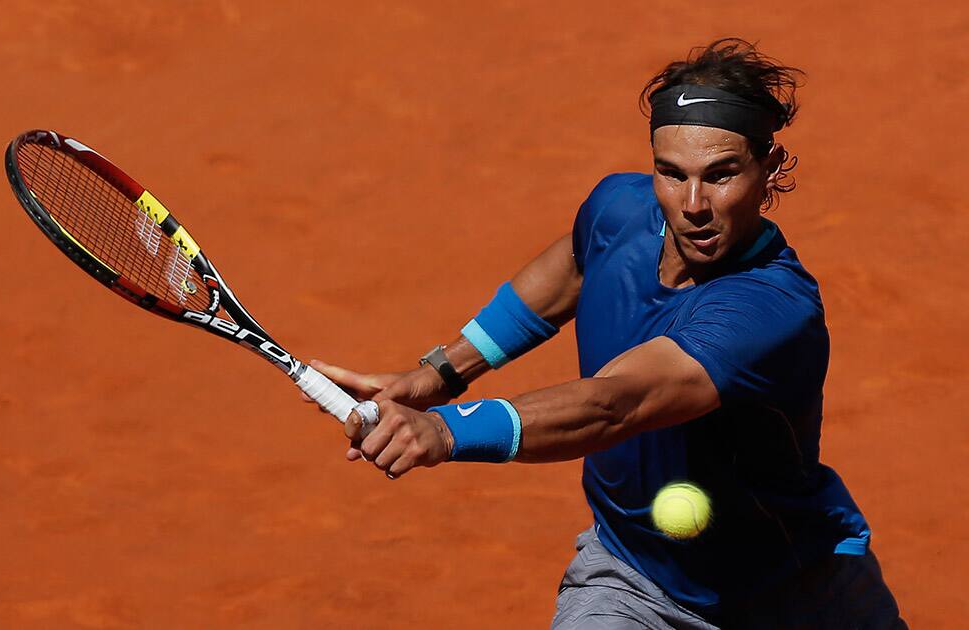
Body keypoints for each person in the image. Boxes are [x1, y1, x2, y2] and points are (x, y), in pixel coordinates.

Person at [307, 39, 906, 629]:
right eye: (670, 175)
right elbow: (571, 266)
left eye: (720, 175)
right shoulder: (620, 207)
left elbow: (617, 403)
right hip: (634, 581)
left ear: (768, 167)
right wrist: (443, 372)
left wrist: (446, 430)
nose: (691, 204)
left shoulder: (770, 308)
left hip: (798, 594)